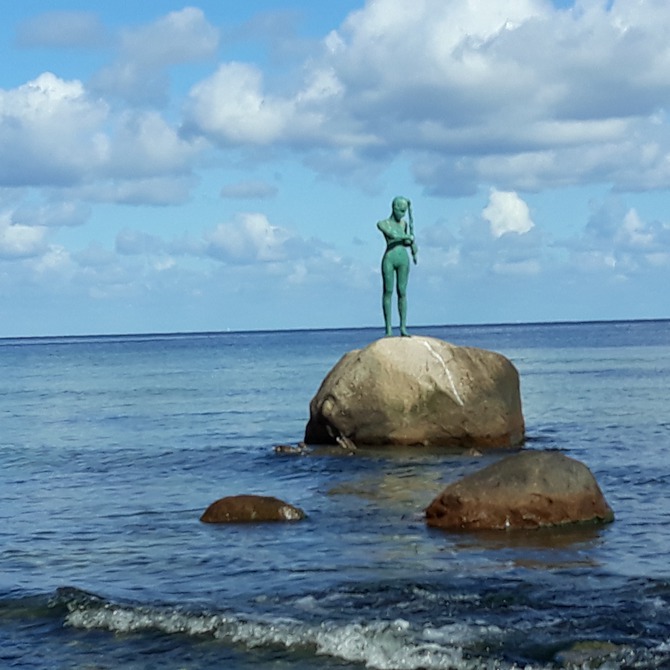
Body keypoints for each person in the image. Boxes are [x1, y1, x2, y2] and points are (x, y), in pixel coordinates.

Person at [377, 196, 417, 337]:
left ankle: (403, 327)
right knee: (388, 291)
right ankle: (388, 328)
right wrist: (406, 237)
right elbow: (393, 236)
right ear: (394, 209)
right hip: (390, 258)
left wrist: (412, 243)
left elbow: (405, 242)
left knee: (402, 291)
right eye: (401, 210)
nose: (403, 214)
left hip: (403, 258)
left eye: (405, 211)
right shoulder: (383, 223)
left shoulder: (404, 224)